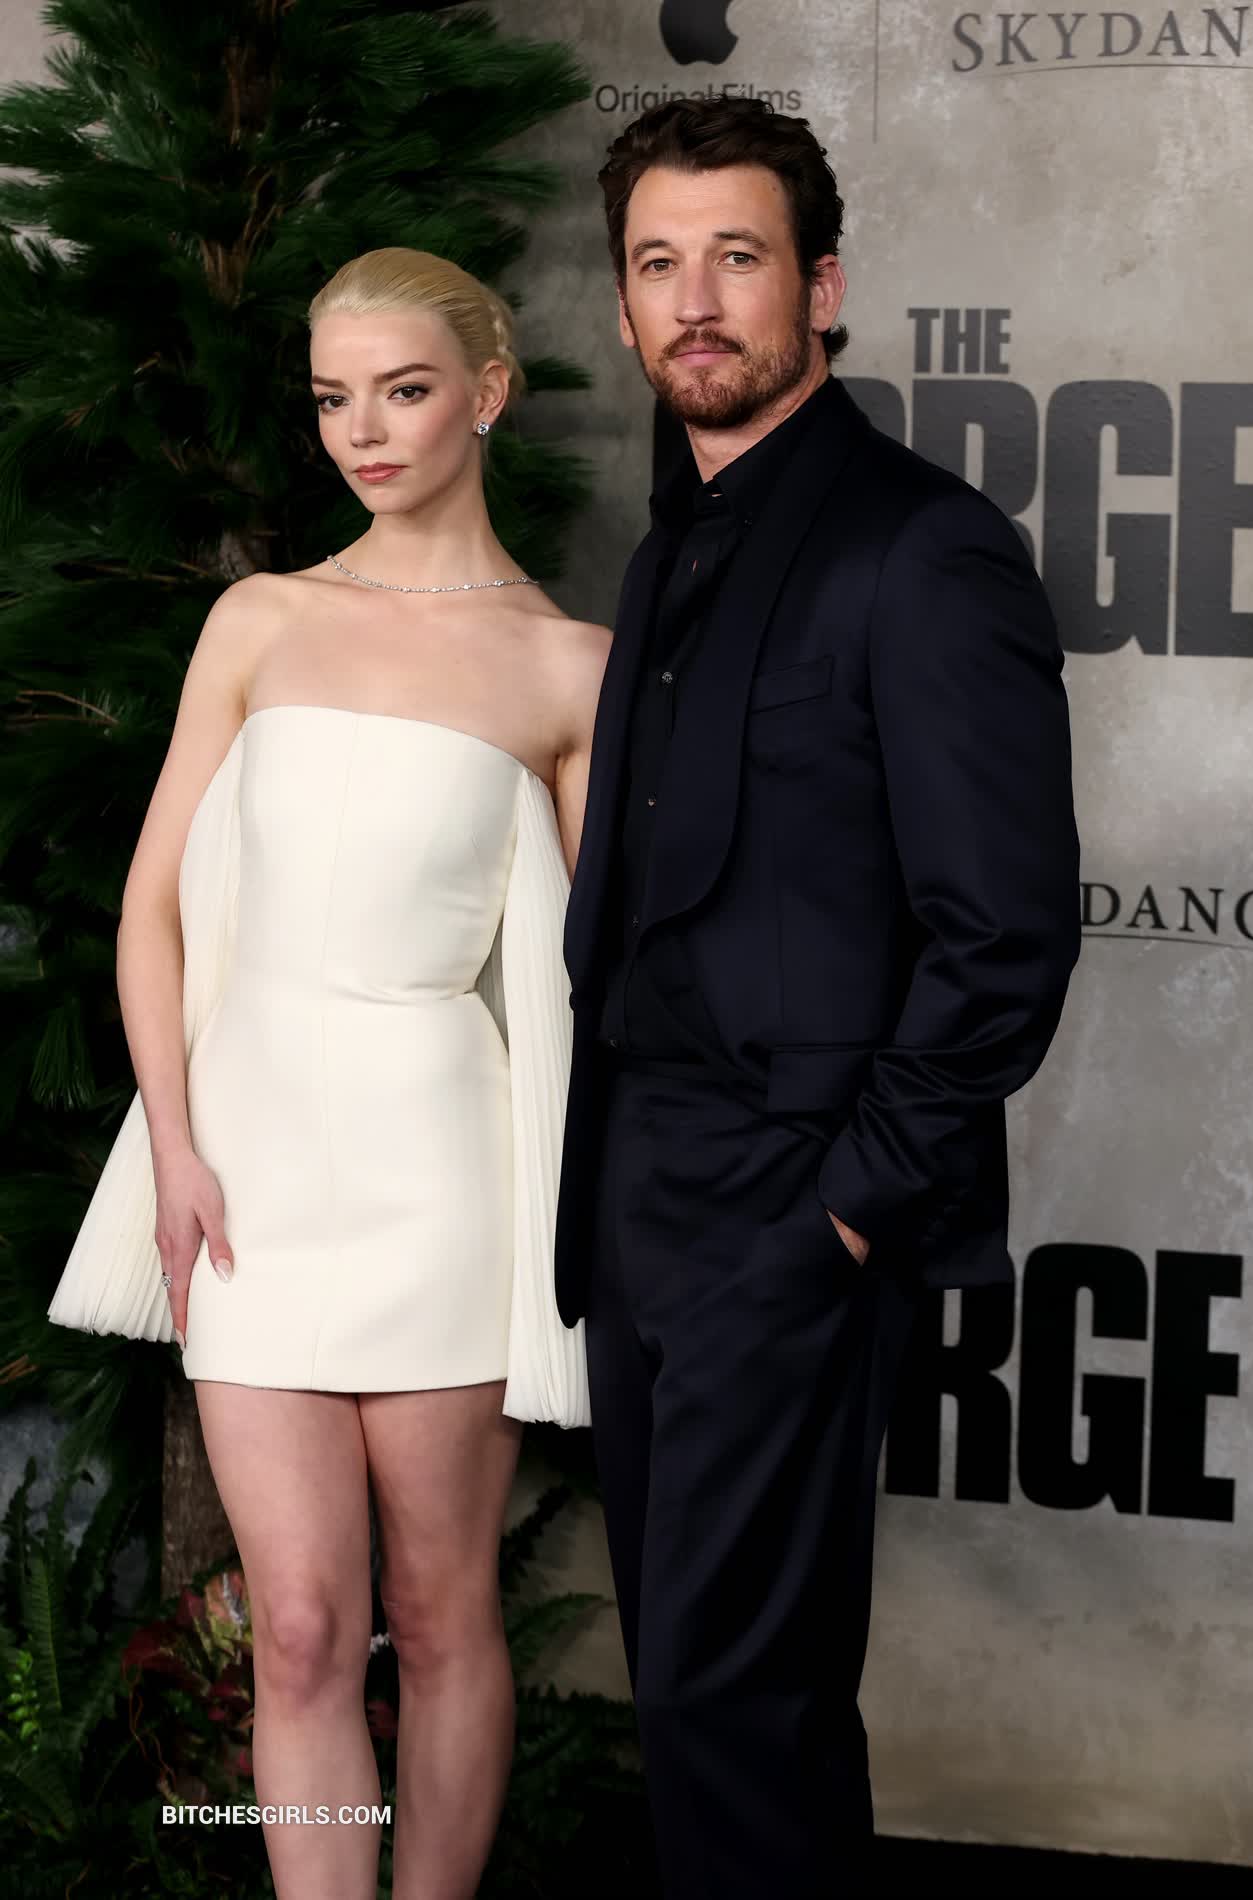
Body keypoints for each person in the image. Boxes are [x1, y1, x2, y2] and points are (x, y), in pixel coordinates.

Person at [553, 97, 1082, 1898]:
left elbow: (1004, 936)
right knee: (700, 1703)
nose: (696, 302)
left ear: (823, 287)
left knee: (740, 1708)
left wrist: (843, 1215)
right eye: (658, 264)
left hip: (789, 1208)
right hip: (637, 1198)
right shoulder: (663, 551)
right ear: (626, 305)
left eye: (738, 257)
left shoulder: (921, 548)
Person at [48, 247, 606, 1900]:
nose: (363, 429)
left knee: (437, 1615)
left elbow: (612, 978)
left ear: (487, 394)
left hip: (446, 1175)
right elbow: (152, 908)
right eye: (332, 398)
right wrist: (175, 1146)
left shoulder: (568, 665)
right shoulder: (262, 619)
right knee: (296, 1624)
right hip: (250, 1170)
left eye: (404, 390)